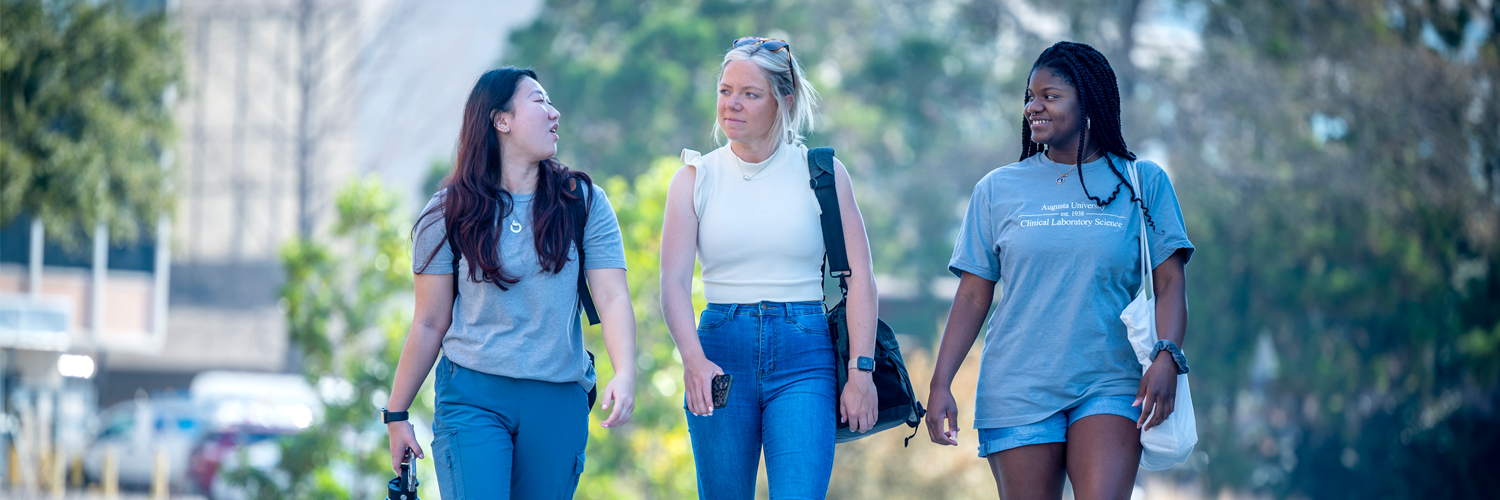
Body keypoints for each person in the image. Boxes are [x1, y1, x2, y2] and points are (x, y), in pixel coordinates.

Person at [925, 41, 1195, 500]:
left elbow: (1169, 282)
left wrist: (1167, 356)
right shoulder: (997, 189)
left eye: (1050, 96)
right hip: (1018, 386)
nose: (1034, 107)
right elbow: (973, 295)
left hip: (1110, 380)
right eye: (1030, 96)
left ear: (1088, 102)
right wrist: (940, 382)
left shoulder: (1142, 182)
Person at [383, 67, 637, 499]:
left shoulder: (583, 201)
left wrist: (626, 370)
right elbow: (428, 322)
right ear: (501, 120)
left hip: (557, 398)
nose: (555, 113)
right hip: (473, 396)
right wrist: (396, 414)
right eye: (539, 101)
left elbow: (612, 297)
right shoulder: (447, 211)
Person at [658, 36, 880, 499]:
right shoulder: (694, 178)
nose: (731, 104)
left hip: (805, 354)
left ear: (784, 101)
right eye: (724, 90)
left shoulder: (823, 173)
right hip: (719, 354)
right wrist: (693, 361)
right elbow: (674, 285)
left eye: (749, 94)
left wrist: (861, 372)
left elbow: (860, 279)